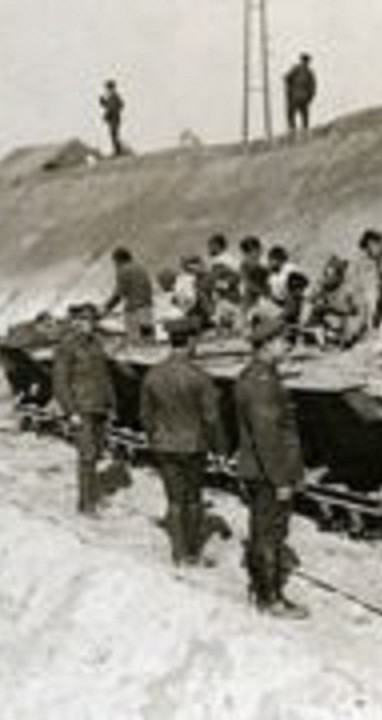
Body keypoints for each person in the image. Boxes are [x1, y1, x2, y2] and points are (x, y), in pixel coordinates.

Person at [233, 317, 310, 618]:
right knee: (270, 534)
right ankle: (271, 600)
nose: (287, 345)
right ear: (266, 344)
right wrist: (281, 479)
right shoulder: (262, 384)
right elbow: (267, 436)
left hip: (259, 469)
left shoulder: (255, 376)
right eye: (282, 340)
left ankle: (261, 593)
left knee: (263, 530)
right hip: (268, 473)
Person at [139, 319, 227, 566]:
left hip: (164, 445)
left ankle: (178, 553)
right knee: (194, 498)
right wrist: (220, 449)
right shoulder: (200, 377)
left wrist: (154, 439)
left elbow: (145, 415)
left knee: (175, 501)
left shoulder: (153, 374)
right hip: (193, 445)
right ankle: (192, 552)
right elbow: (212, 418)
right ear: (190, 341)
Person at [52, 303, 116, 516]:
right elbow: (60, 382)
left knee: (97, 453)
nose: (89, 325)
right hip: (81, 408)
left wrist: (111, 404)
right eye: (85, 321)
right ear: (76, 323)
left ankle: (92, 495)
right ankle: (86, 504)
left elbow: (105, 377)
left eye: (92, 321)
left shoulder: (96, 344)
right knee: (87, 456)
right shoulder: (67, 347)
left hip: (99, 406)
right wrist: (71, 412)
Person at [307, 255, 368, 349]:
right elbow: (310, 298)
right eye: (326, 274)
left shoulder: (349, 288)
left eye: (331, 275)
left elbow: (358, 312)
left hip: (348, 324)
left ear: (339, 275)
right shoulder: (325, 287)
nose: (327, 277)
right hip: (331, 324)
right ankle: (321, 340)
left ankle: (338, 339)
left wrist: (333, 307)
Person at [102, 247, 154, 343]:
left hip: (134, 310)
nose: (115, 265)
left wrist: (106, 308)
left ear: (119, 260)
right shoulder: (140, 267)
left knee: (135, 341)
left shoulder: (123, 270)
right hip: (147, 306)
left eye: (115, 262)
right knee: (148, 337)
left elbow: (118, 294)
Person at [206, 234, 243, 331]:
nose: (209, 249)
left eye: (210, 246)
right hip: (230, 297)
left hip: (228, 297)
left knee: (227, 325)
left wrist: (219, 286)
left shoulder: (221, 261)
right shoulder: (230, 259)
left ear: (217, 246)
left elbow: (234, 279)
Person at [284, 53, 316, 135]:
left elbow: (287, 78)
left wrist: (289, 92)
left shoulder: (297, 69)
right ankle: (303, 130)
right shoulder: (309, 73)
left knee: (292, 114)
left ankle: (293, 130)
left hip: (295, 97)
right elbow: (312, 88)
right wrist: (310, 98)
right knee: (303, 115)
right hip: (303, 97)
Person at [99, 80, 125, 156]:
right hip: (114, 119)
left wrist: (106, 115)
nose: (106, 90)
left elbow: (113, 107)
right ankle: (117, 151)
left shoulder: (114, 96)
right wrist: (103, 102)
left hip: (114, 119)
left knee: (114, 135)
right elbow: (111, 106)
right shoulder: (113, 97)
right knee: (114, 135)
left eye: (107, 88)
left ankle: (118, 152)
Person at [239, 236, 265, 309]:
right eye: (255, 250)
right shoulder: (245, 265)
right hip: (251, 296)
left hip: (259, 293)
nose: (259, 252)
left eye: (258, 249)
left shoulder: (261, 263)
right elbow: (248, 283)